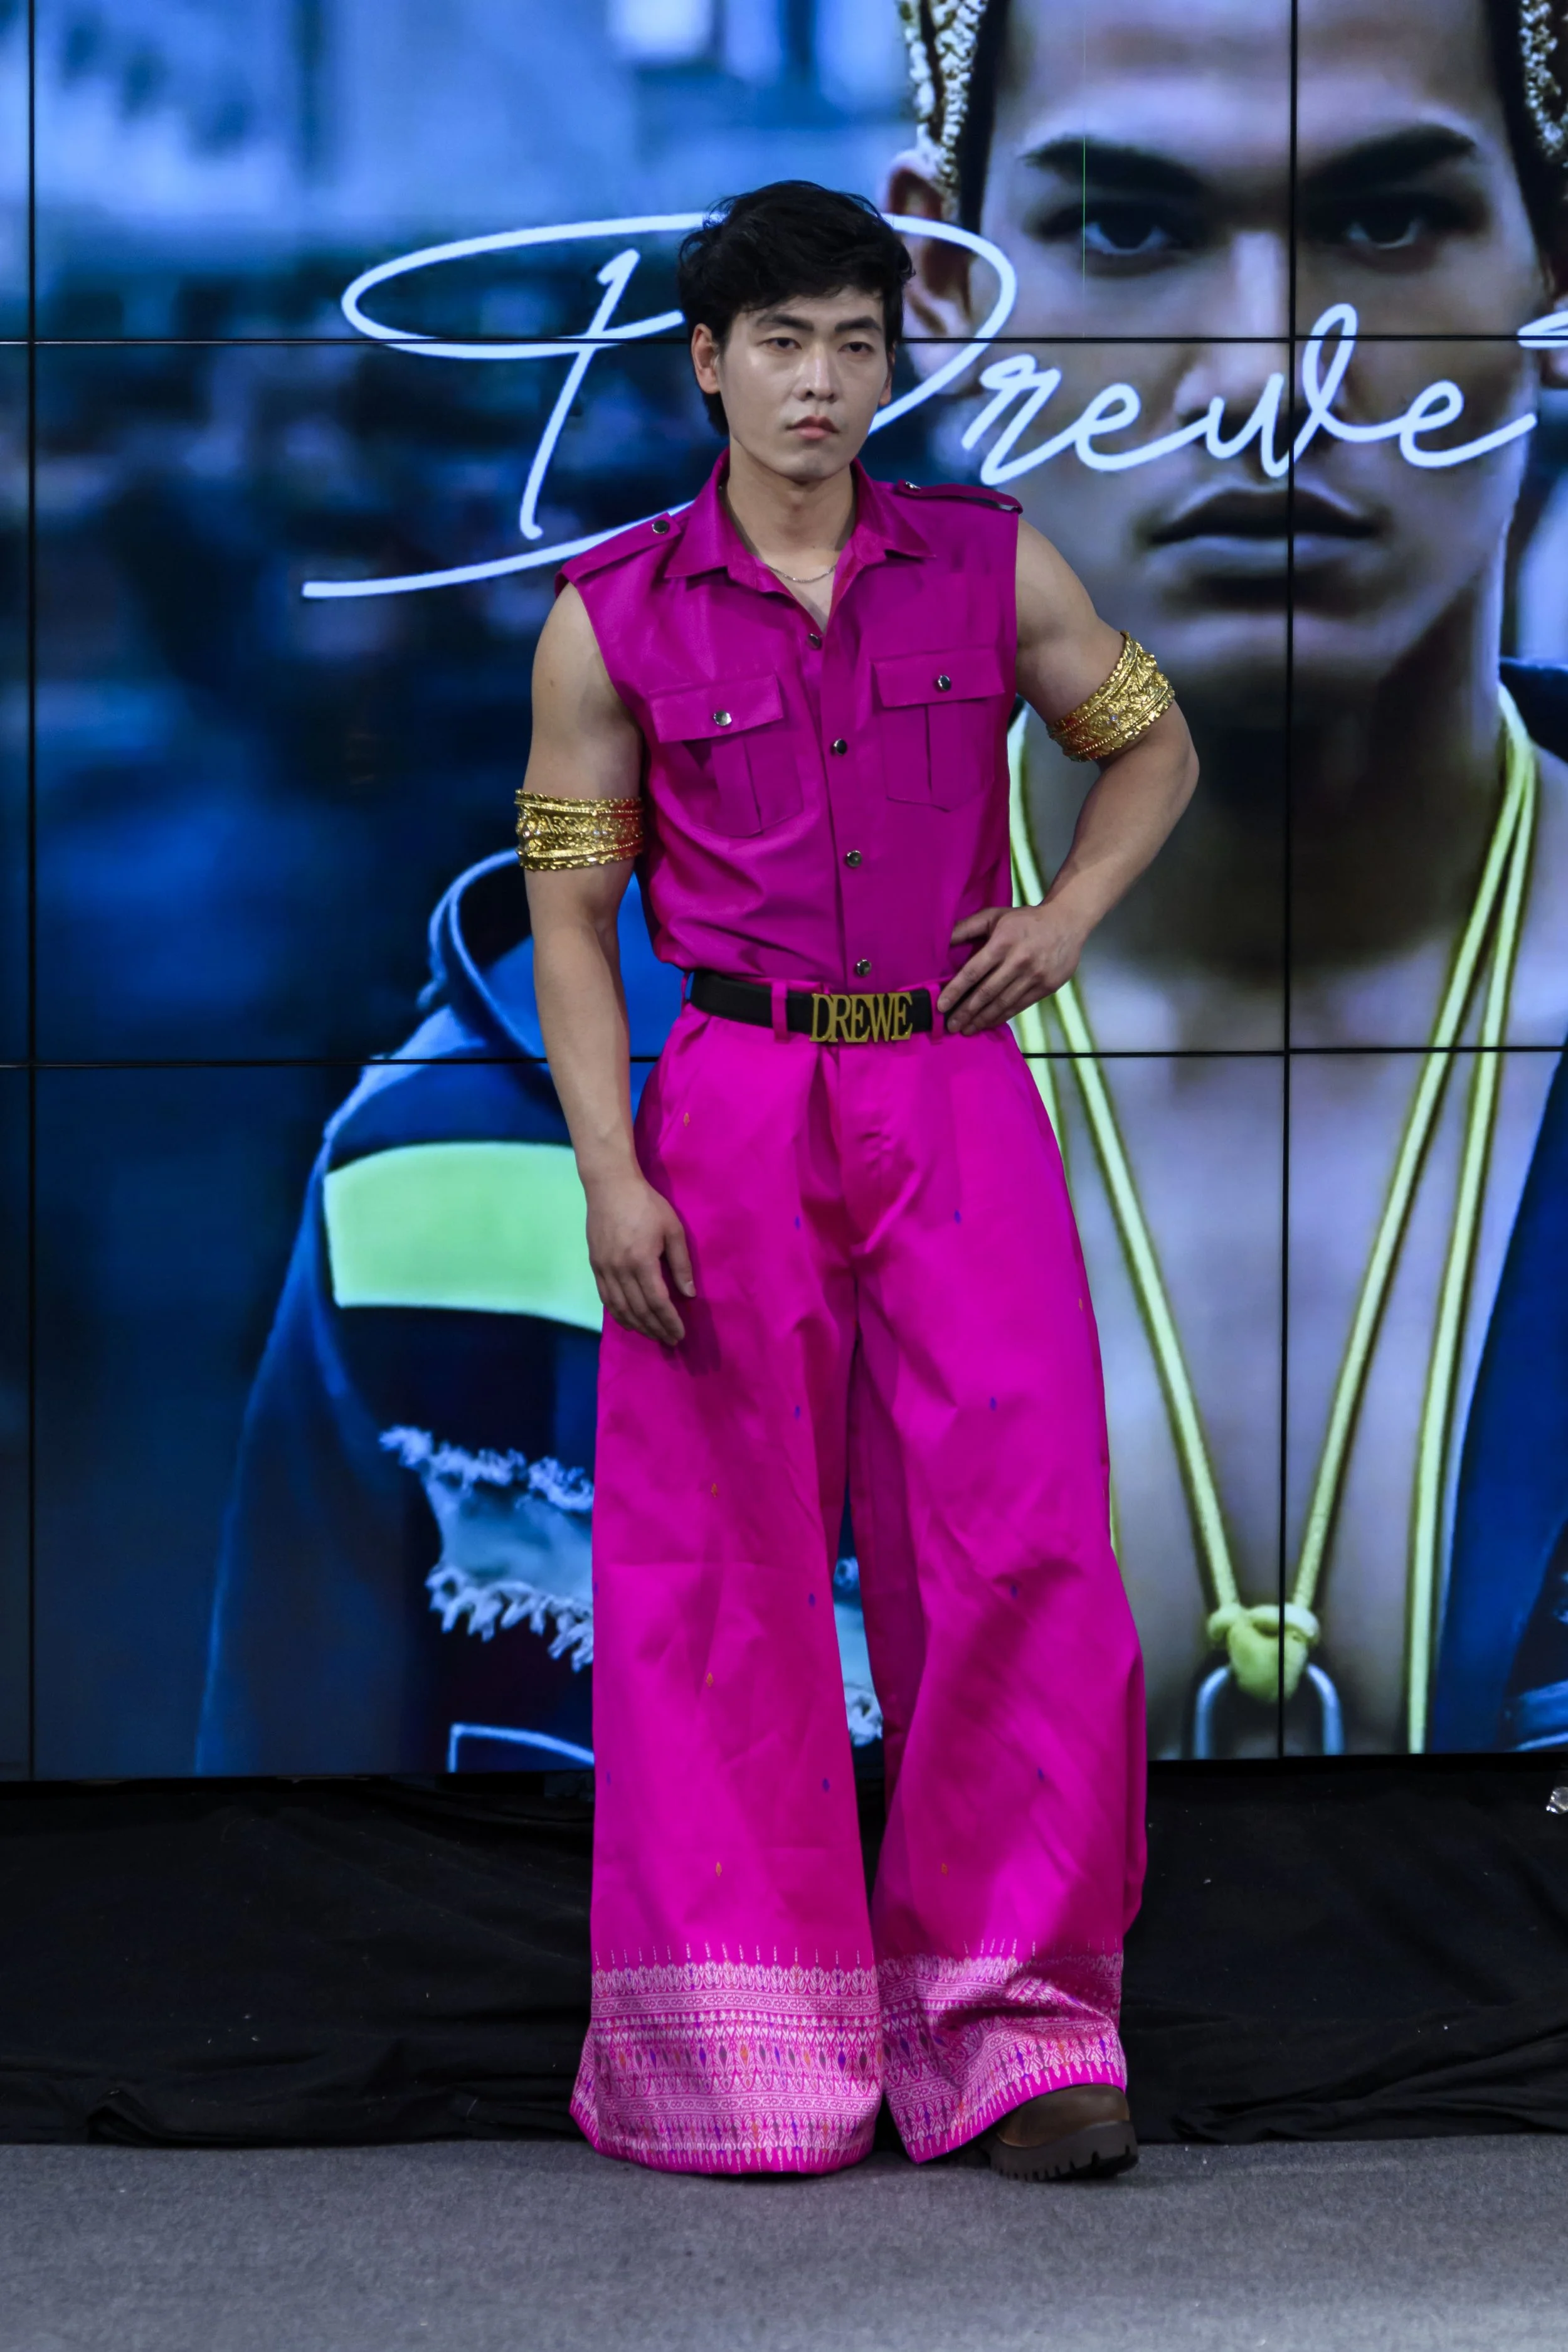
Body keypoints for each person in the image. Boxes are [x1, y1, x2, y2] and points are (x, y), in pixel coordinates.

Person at [521, 179, 1196, 2180]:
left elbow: (1149, 743)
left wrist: (1065, 913)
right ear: (706, 364)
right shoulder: (610, 615)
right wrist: (609, 1174)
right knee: (715, 1569)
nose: (820, 382)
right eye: (781, 344)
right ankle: (740, 2050)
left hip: (951, 1091)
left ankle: (1022, 2034)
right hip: (729, 1105)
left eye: (854, 342)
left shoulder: (988, 563)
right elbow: (570, 923)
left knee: (1023, 1541)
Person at [890, 0, 1568, 1756]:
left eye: (1385, 219)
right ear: (942, 291)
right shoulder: (530, 1128)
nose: (1267, 380)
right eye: (1128, 229)